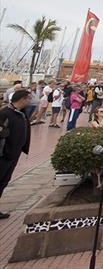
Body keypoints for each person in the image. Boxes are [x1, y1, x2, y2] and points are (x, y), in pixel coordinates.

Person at [0, 89, 32, 219]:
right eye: (28, 98)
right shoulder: (5, 113)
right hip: (4, 155)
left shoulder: (21, 114)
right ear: (22, 99)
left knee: (3, 181)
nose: (30, 101)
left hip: (13, 154)